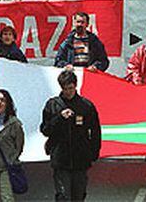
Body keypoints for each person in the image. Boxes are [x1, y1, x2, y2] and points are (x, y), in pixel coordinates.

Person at [40, 70, 101, 201]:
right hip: (61, 159)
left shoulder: (86, 106)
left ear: (75, 86)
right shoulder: (53, 105)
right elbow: (45, 130)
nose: (68, 92)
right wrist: (60, 117)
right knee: (63, 196)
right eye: (65, 88)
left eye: (70, 88)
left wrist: (93, 153)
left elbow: (95, 132)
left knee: (78, 196)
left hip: (81, 159)